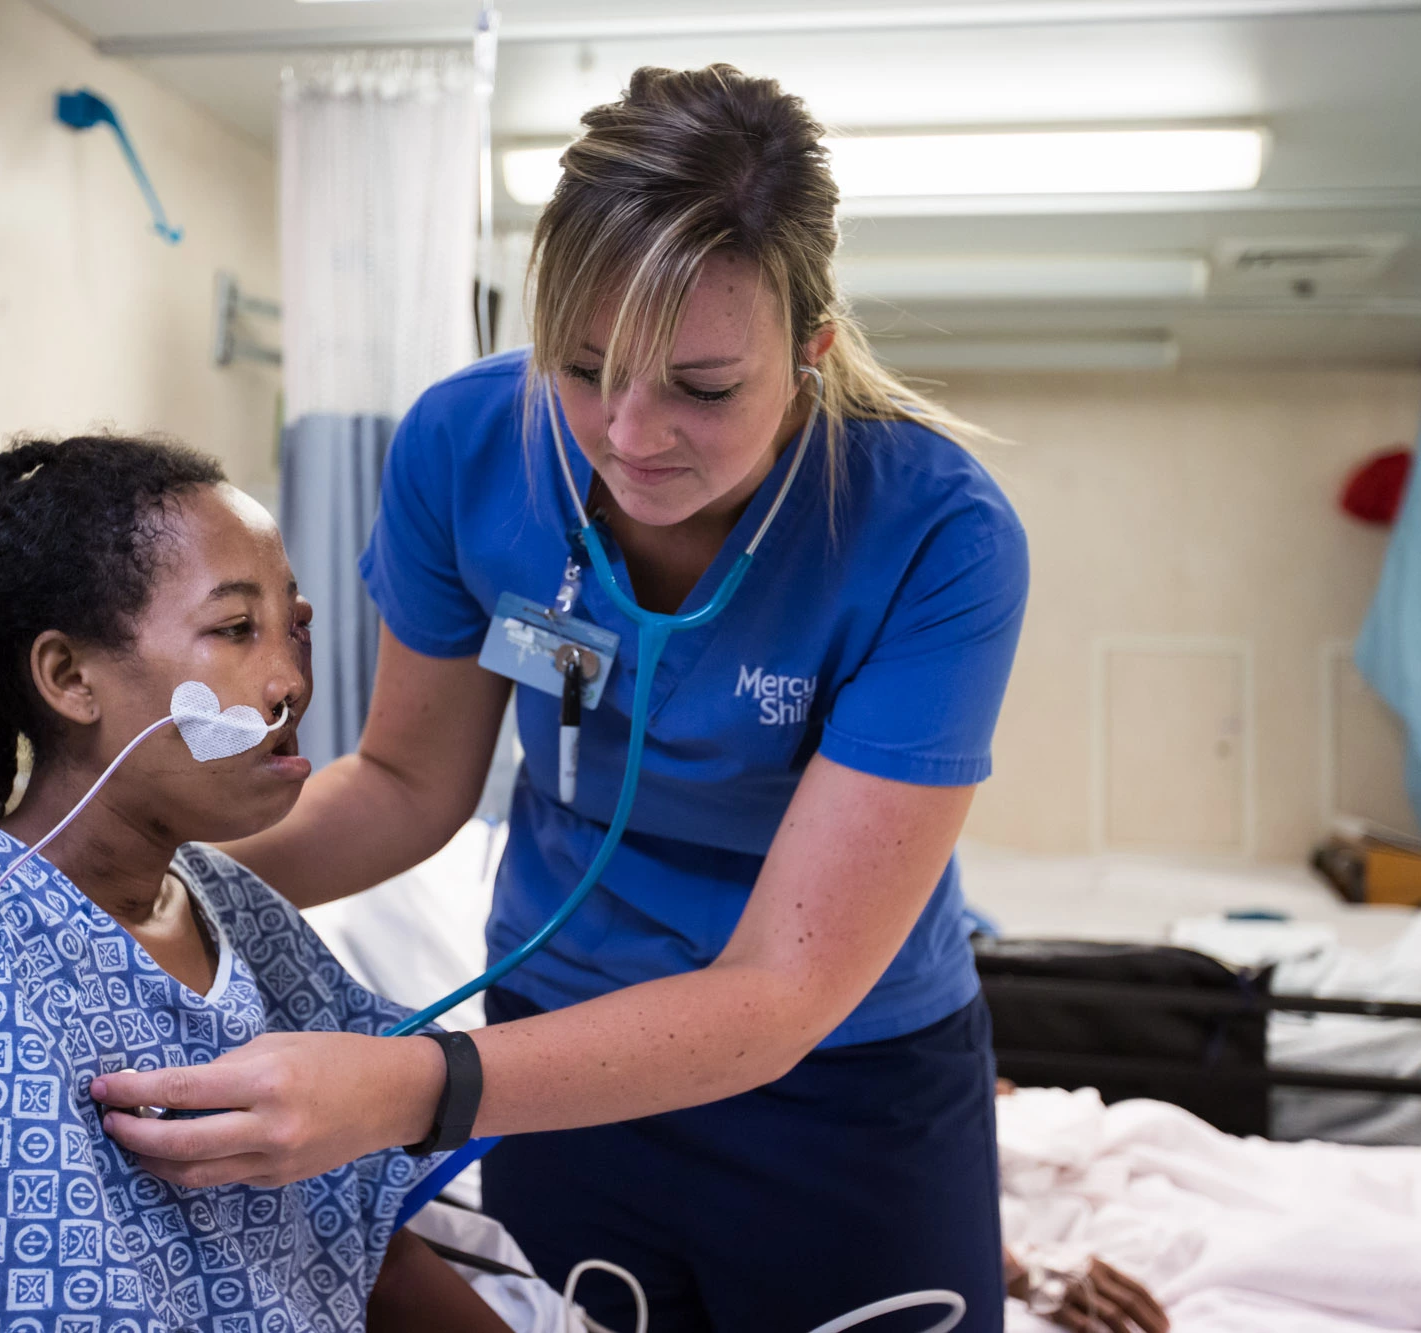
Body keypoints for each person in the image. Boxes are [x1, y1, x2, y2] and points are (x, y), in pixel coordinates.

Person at [95, 65, 1029, 1332]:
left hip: (842, 1075)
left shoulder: (933, 533)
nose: (631, 434)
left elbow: (777, 994)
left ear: (809, 350)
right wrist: (124, 871)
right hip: (557, 1047)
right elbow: (407, 786)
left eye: (701, 387)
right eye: (583, 366)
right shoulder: (468, 447)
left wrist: (404, 1088)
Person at [0, 437, 510, 1333]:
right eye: (236, 630)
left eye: (295, 627)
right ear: (71, 678)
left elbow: (361, 1242)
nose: (290, 681)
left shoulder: (235, 911)